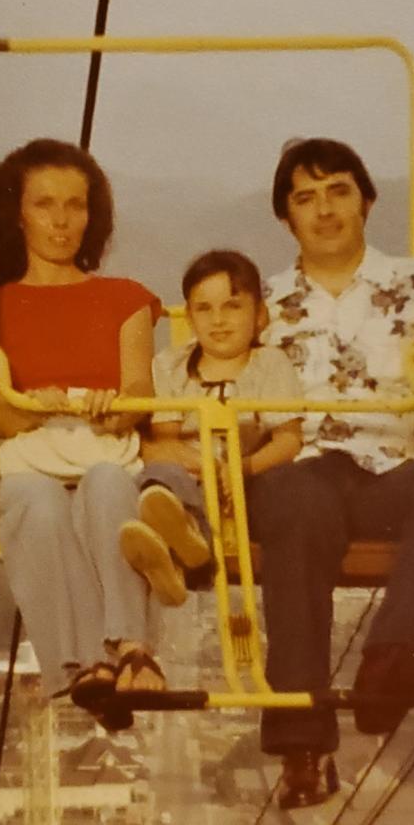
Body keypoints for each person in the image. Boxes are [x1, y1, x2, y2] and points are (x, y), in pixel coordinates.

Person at [247, 137, 414, 809]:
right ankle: (302, 741)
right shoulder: (260, 305)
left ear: (367, 200)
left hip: (386, 475)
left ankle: (396, 659)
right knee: (296, 500)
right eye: (305, 198)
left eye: (338, 191)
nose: (324, 210)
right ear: (285, 217)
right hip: (297, 472)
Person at [0, 138, 181, 729]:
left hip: (102, 449)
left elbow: (138, 391)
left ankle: (132, 647)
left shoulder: (124, 300)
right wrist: (36, 407)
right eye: (45, 204)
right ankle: (83, 664)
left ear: (93, 216)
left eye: (76, 205)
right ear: (17, 214)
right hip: (32, 455)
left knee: (107, 482)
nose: (62, 221)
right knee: (34, 503)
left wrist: (113, 409)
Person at [124, 249, 304, 600]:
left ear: (259, 314)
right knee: (161, 477)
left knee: (276, 491)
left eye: (232, 306)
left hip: (245, 480)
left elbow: (288, 439)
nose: (218, 320)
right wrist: (204, 466)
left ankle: (182, 556)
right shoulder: (171, 365)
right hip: (190, 475)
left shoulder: (270, 363)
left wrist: (239, 468)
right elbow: (166, 440)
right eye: (204, 309)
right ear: (191, 317)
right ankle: (184, 541)